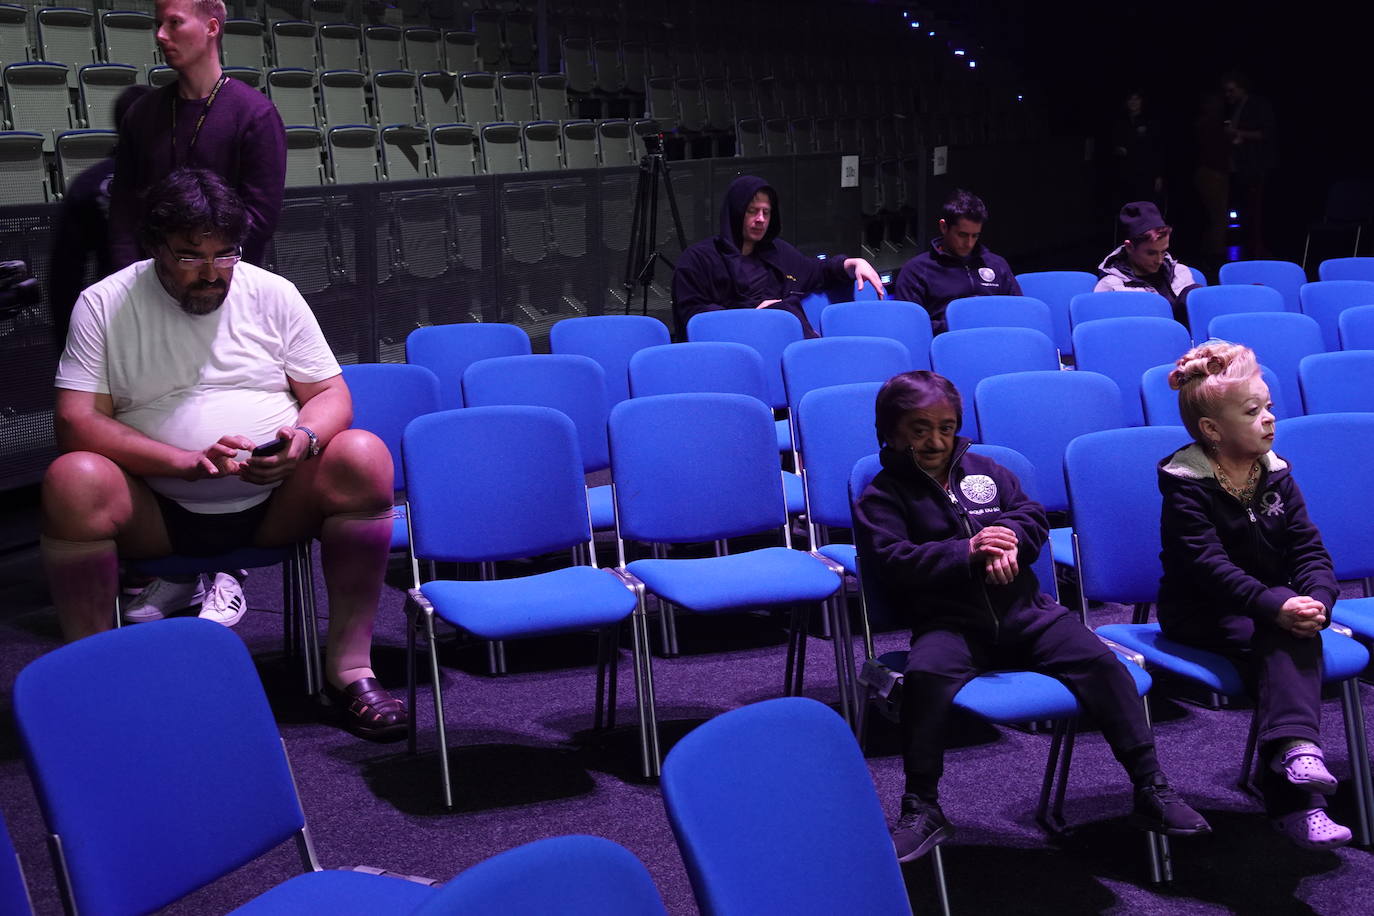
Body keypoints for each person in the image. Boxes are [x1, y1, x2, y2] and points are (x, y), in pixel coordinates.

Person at [42, 168, 407, 742]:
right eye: (190, 257)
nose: (211, 273)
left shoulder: (272, 293)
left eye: (225, 254)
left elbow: (331, 395)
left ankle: (350, 670)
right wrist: (180, 460)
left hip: (274, 502)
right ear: (155, 247)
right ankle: (98, 682)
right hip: (156, 510)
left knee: (363, 455)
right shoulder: (105, 303)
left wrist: (302, 442)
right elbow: (76, 421)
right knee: (72, 479)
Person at [854, 370, 1210, 863]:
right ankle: (922, 806)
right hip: (949, 622)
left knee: (1102, 663)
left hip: (1027, 612)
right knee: (925, 678)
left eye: (945, 426)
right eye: (918, 429)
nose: (935, 440)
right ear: (889, 432)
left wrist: (1007, 540)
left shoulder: (987, 471)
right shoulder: (881, 496)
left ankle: (1151, 787)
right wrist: (968, 551)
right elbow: (891, 561)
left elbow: (1032, 517)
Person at [1158, 342, 1349, 849]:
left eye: (1269, 408)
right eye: (1252, 411)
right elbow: (1208, 568)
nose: (1268, 419)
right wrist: (1278, 606)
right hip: (1200, 610)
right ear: (1212, 431)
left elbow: (1310, 549)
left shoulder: (1276, 471)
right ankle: (1296, 776)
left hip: (1267, 606)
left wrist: (1319, 603)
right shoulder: (1186, 484)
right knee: (1283, 635)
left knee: (1292, 630)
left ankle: (1294, 764)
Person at [109, 0, 286, 271]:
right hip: (150, 287)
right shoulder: (141, 114)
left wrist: (199, 267)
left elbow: (258, 221)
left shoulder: (256, 115)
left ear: (211, 27)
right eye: (159, 24)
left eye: (175, 23)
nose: (160, 35)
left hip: (226, 285)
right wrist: (131, 279)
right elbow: (122, 214)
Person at [671, 175, 883, 339]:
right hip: (731, 347)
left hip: (785, 343)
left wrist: (853, 263)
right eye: (752, 211)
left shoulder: (778, 252)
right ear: (736, 213)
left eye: (766, 212)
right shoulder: (698, 259)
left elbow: (817, 270)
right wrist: (750, 314)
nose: (760, 219)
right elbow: (694, 314)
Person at [47, 84, 154, 349]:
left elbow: (65, 277)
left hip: (112, 320)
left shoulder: (88, 183)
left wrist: (69, 345)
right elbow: (66, 274)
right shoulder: (182, 179)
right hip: (145, 320)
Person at [893, 190, 1021, 335]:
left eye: (975, 236)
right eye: (962, 235)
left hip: (996, 340)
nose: (969, 243)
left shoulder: (997, 264)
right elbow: (911, 325)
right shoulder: (916, 270)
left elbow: (1018, 311)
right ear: (943, 227)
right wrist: (960, 325)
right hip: (946, 345)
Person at [1093, 201, 1200, 325]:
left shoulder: (1181, 272)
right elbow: (1106, 333)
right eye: (1151, 253)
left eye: (1163, 251)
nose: (1159, 260)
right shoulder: (1111, 286)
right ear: (1129, 247)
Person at [1222, 72, 1277, 259]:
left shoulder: (1258, 106)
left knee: (1256, 211)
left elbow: (1266, 134)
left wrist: (1239, 134)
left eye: (1232, 90)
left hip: (1256, 167)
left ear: (1242, 88)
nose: (1228, 94)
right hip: (1240, 168)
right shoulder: (1235, 108)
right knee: (1244, 211)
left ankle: (1258, 251)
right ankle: (1247, 250)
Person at [1111, 90, 1165, 207]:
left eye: (1137, 99)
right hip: (1125, 173)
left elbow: (1156, 148)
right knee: (1128, 207)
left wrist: (1158, 175)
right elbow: (1114, 146)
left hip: (1146, 174)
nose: (1133, 102)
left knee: (1146, 207)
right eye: (1130, 99)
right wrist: (1117, 150)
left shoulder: (1150, 121)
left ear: (1142, 101)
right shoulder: (1120, 121)